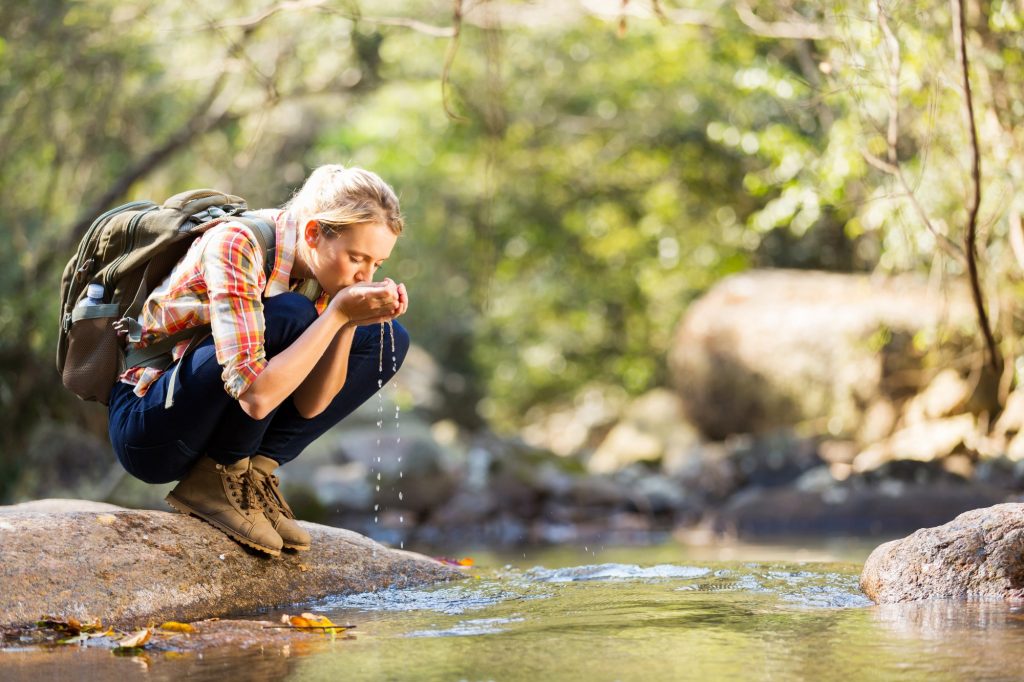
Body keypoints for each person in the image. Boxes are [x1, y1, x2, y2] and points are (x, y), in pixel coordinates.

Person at [106, 165, 410, 557]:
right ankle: (219, 476)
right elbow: (257, 398)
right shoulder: (237, 243)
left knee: (386, 338)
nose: (364, 276)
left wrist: (349, 321)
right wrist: (334, 315)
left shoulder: (317, 271)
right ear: (314, 233)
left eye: (376, 266)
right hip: (149, 427)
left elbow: (311, 406)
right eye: (357, 258)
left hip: (208, 415)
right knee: (293, 315)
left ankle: (253, 475)